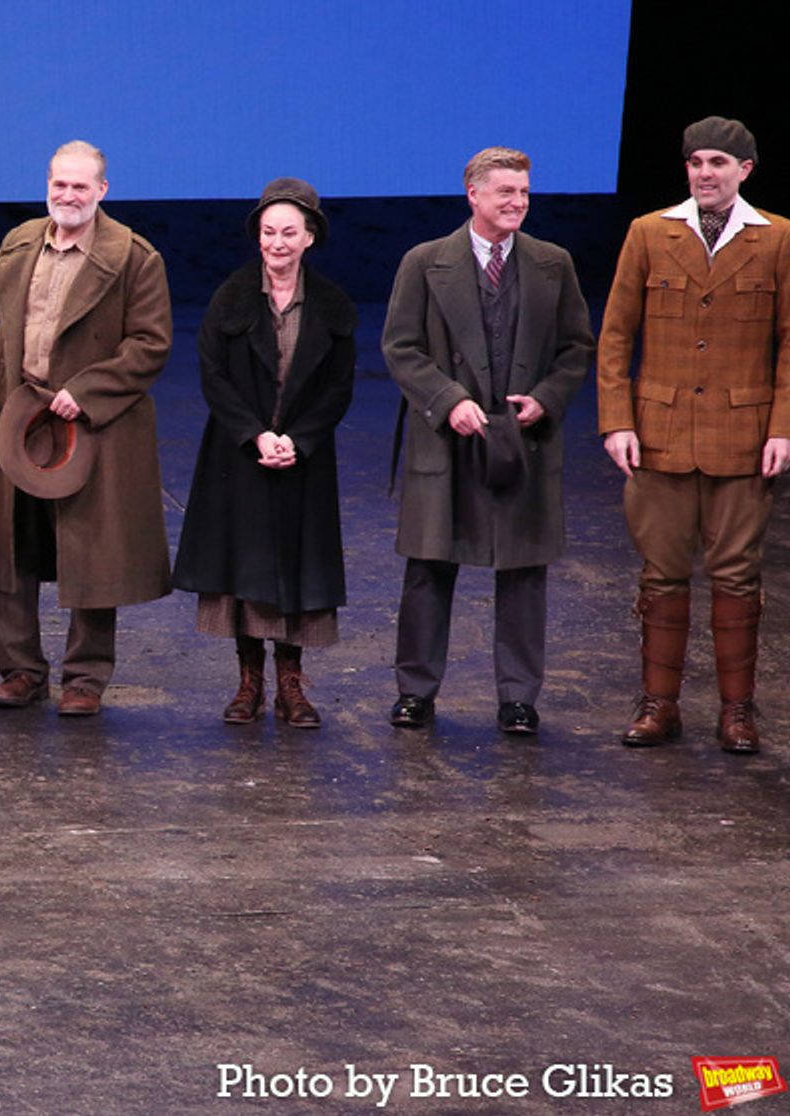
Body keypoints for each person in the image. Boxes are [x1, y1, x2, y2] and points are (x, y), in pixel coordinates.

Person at [0, 140, 173, 717]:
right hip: (19, 416)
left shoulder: (134, 258)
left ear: (102, 190)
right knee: (7, 545)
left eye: (80, 186)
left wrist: (85, 393)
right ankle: (22, 671)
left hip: (89, 424)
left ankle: (85, 678)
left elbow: (150, 344)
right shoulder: (22, 242)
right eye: (60, 184)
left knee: (91, 552)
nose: (68, 195)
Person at [384, 147, 593, 734]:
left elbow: (576, 347)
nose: (518, 202)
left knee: (524, 570)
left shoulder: (552, 263)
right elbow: (401, 347)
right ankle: (415, 691)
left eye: (523, 192)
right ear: (472, 194)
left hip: (522, 437)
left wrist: (546, 399)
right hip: (448, 438)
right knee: (430, 566)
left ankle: (518, 697)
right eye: (506, 192)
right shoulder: (425, 262)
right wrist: (448, 400)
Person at [598, 116, 790, 755]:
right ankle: (659, 704)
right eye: (696, 162)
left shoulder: (778, 238)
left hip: (743, 436)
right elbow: (616, 334)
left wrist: (782, 428)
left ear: (745, 170)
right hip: (661, 434)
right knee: (662, 573)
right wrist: (618, 420)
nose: (705, 173)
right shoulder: (650, 232)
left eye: (718, 162)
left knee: (736, 576)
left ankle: (738, 711)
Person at [173, 178, 356, 728]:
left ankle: (290, 686)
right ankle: (248, 683)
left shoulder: (332, 306)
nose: (278, 243)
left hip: (304, 458)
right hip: (240, 455)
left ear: (309, 238)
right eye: (269, 232)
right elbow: (214, 376)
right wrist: (256, 435)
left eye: (289, 233)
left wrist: (297, 440)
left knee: (297, 567)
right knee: (245, 567)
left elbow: (338, 387)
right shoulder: (231, 297)